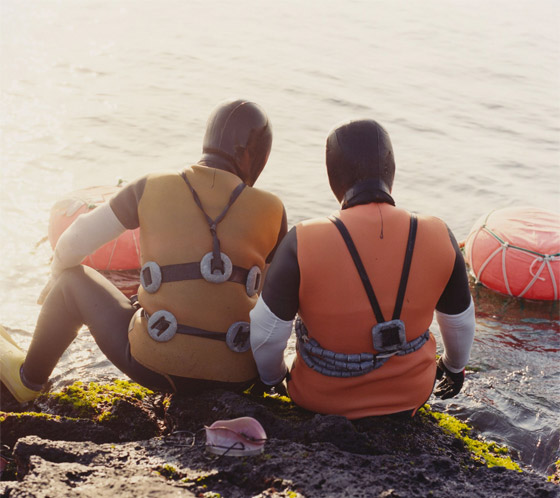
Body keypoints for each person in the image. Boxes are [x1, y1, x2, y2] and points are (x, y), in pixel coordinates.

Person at [1, 99, 287, 403]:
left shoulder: (152, 185)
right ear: (256, 157)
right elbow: (271, 311)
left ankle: (28, 380)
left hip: (154, 366)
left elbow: (73, 242)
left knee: (72, 279)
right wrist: (272, 378)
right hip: (237, 377)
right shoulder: (273, 210)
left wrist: (55, 279)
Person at [250, 118, 475, 418]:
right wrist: (453, 368)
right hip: (411, 396)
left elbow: (266, 335)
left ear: (332, 176)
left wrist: (273, 378)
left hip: (321, 400)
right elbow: (460, 323)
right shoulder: (438, 233)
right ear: (392, 168)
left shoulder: (303, 239)